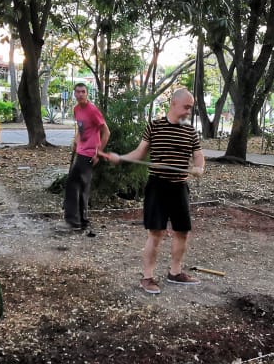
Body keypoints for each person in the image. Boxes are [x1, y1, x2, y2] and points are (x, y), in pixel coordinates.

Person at [98, 88, 206, 295]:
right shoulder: (154, 126)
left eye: (190, 108)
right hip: (158, 185)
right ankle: (147, 277)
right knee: (155, 233)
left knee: (182, 232)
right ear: (174, 104)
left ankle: (175, 273)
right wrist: (120, 158)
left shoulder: (190, 131)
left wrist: (199, 167)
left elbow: (199, 155)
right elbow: (140, 152)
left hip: (180, 186)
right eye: (186, 107)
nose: (188, 112)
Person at [58, 83, 110, 234]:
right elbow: (82, 129)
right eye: (78, 92)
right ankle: (80, 222)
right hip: (81, 151)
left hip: (89, 154)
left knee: (75, 185)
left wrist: (98, 152)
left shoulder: (92, 110)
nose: (80, 94)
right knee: (78, 186)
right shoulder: (76, 109)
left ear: (87, 94)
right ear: (74, 94)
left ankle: (75, 221)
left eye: (83, 92)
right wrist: (76, 140)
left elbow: (106, 132)